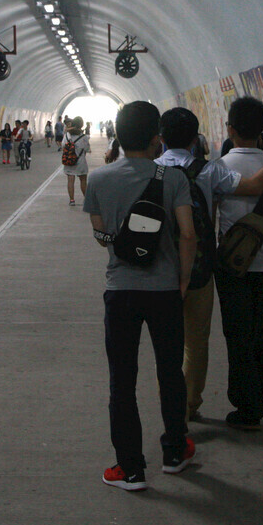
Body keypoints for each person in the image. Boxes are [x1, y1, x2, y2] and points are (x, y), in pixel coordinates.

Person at [84, 100, 197, 491]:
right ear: (156, 138)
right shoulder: (174, 178)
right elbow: (187, 234)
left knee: (122, 380)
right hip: (164, 290)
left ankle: (129, 468)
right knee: (170, 372)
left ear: (117, 135)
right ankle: (175, 452)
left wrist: (122, 241)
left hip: (120, 291)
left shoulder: (99, 178)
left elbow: (102, 236)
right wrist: (183, 279)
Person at [157, 107, 263, 423]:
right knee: (196, 342)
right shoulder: (208, 171)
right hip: (199, 267)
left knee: (165, 343)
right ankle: (189, 403)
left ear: (160, 138)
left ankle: (170, 406)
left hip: (158, 268)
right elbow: (254, 188)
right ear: (195, 139)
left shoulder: (152, 170)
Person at [215, 97, 263, 431]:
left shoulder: (218, 167)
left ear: (230, 129)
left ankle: (246, 408)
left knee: (238, 335)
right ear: (262, 130)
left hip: (231, 267)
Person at [63, 116, 91, 206]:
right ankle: (86, 199)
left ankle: (72, 200)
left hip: (69, 161)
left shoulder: (67, 135)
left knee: (70, 180)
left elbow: (63, 146)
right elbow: (87, 149)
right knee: (83, 180)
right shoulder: (84, 137)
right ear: (81, 125)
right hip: (81, 161)